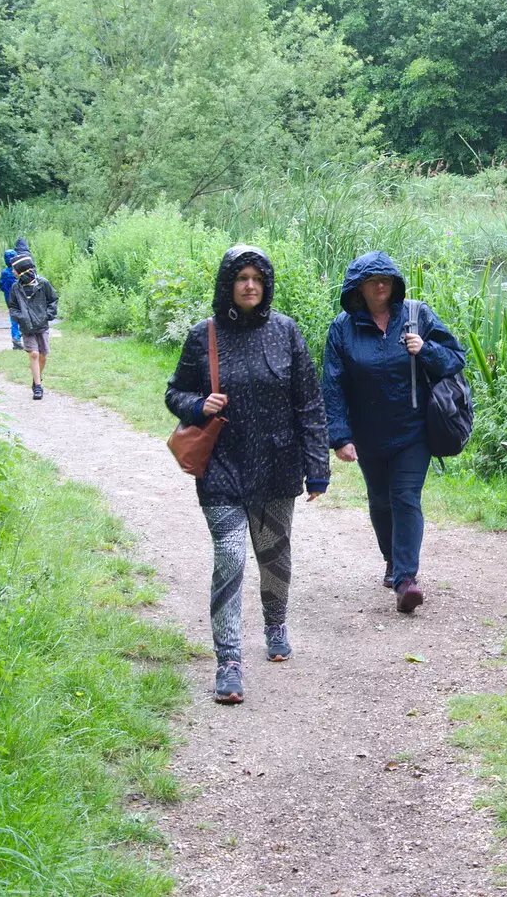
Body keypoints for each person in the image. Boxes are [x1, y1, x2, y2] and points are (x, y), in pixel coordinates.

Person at [165, 246, 330, 705]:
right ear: (228, 284)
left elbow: (309, 404)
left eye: (258, 278)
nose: (250, 286)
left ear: (267, 283)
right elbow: (175, 392)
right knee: (232, 557)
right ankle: (229, 660)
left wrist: (317, 468)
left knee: (274, 555)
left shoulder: (286, 332)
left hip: (278, 464)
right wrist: (199, 405)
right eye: (242, 278)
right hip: (222, 467)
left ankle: (275, 623)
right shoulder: (205, 336)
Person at [321, 251, 465, 614]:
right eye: (372, 280)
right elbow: (333, 385)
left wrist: (425, 349)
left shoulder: (418, 316)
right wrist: (339, 436)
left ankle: (406, 581)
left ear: (395, 283)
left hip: (414, 430)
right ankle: (391, 560)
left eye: (386, 279)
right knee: (381, 501)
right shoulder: (342, 328)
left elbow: (455, 358)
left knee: (405, 497)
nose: (380, 285)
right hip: (368, 434)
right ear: (358, 287)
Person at [7, 254, 58, 400]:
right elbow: (13, 306)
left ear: (22, 270)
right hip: (27, 326)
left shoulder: (42, 283)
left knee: (42, 355)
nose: (12, 272)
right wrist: (21, 318)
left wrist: (46, 315)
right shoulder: (15, 288)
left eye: (14, 269)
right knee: (33, 354)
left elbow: (53, 300)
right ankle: (37, 386)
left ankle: (37, 377)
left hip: (42, 326)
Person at [0, 249, 23, 351]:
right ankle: (20, 338)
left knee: (14, 321)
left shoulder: (4, 273)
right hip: (21, 300)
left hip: (10, 301)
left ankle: (16, 339)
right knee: (23, 319)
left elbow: (1, 286)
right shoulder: (20, 271)